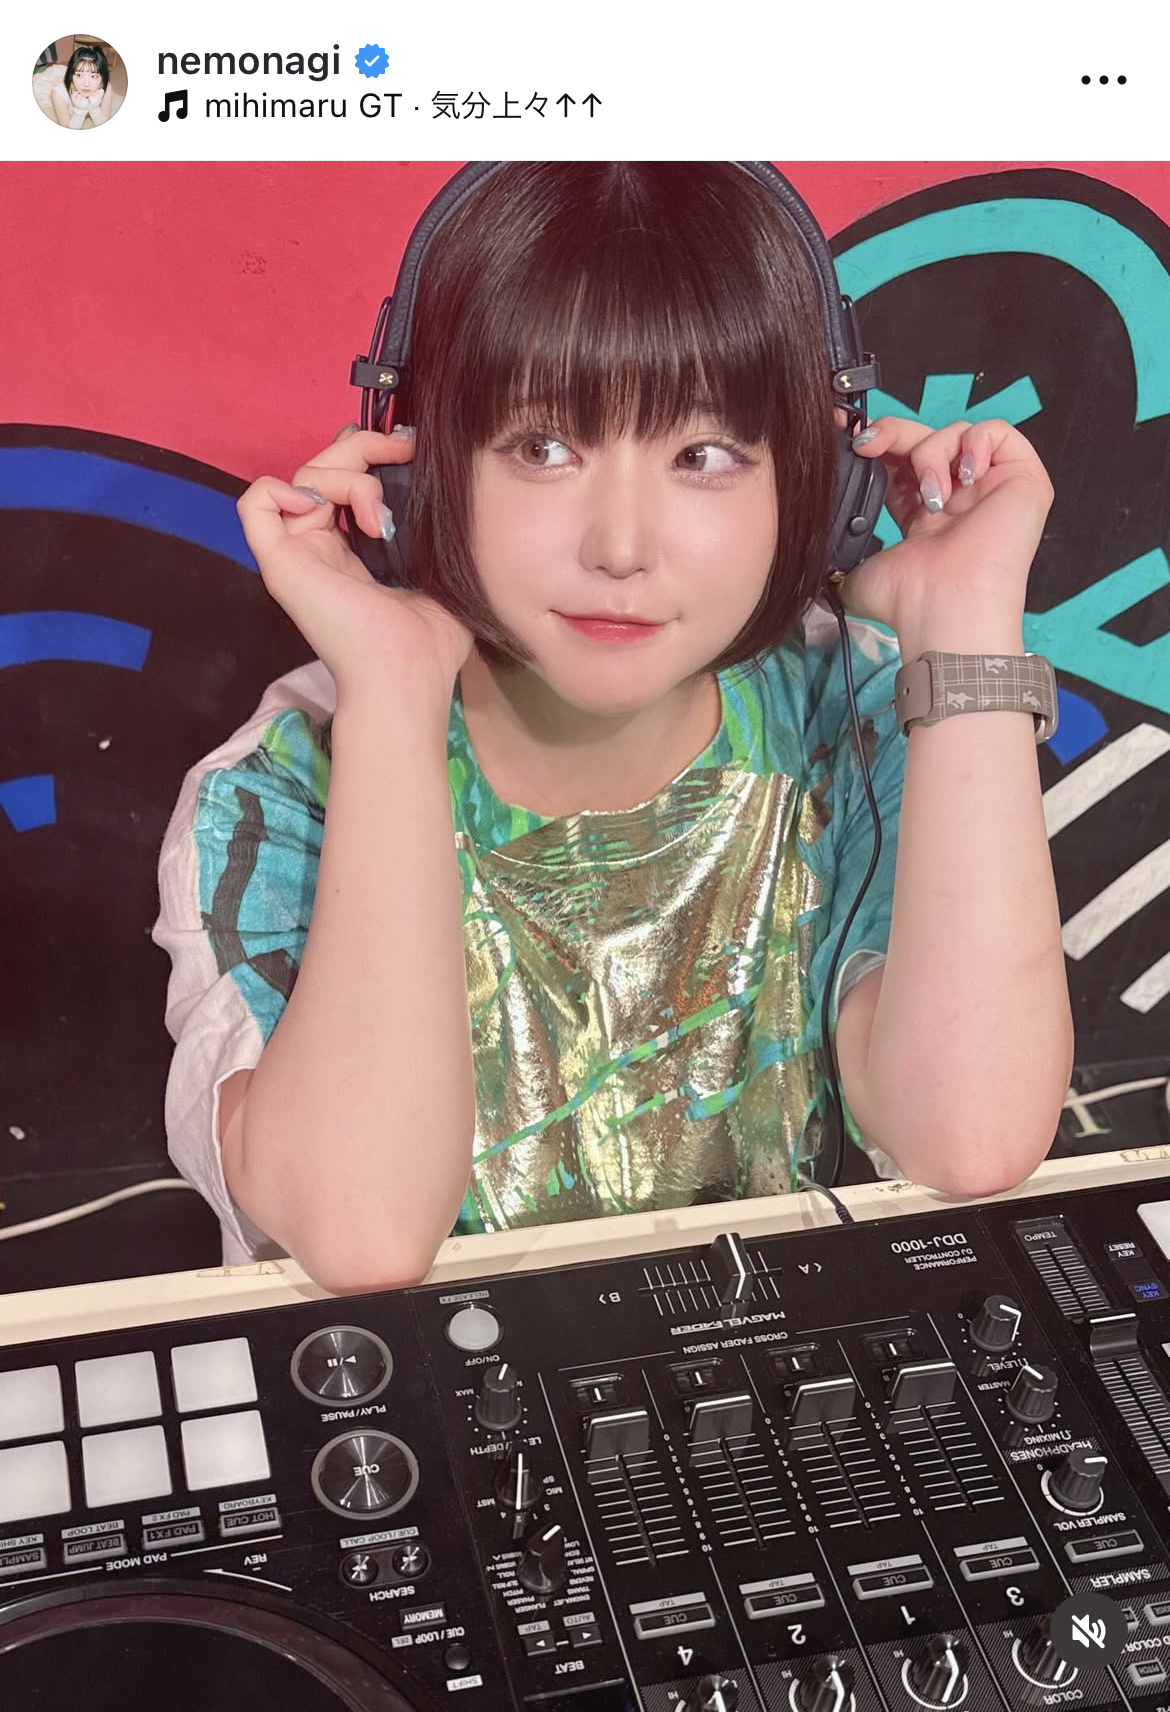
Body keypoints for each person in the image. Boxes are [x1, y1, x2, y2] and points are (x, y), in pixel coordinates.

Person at [152, 162, 1074, 1293]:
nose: (622, 547)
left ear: (821, 484)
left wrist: (965, 616)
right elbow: (362, 1233)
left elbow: (970, 1139)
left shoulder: (853, 716)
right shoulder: (277, 791)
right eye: (543, 447)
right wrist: (392, 689)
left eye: (703, 455)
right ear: (422, 468)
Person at [50, 43, 114, 128]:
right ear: (71, 75)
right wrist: (80, 112)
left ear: (103, 77)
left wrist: (95, 110)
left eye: (94, 76)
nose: (86, 84)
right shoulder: (59, 93)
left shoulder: (105, 87)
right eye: (79, 75)